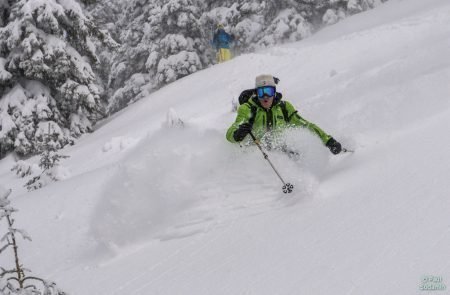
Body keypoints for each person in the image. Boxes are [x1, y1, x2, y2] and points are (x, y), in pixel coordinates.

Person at [226, 74, 342, 155]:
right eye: (262, 92)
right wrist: (237, 134)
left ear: (274, 92)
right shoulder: (248, 109)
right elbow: (231, 133)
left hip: (281, 151)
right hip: (258, 153)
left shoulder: (284, 108)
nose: (266, 97)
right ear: (256, 93)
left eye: (269, 91)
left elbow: (305, 125)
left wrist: (328, 141)